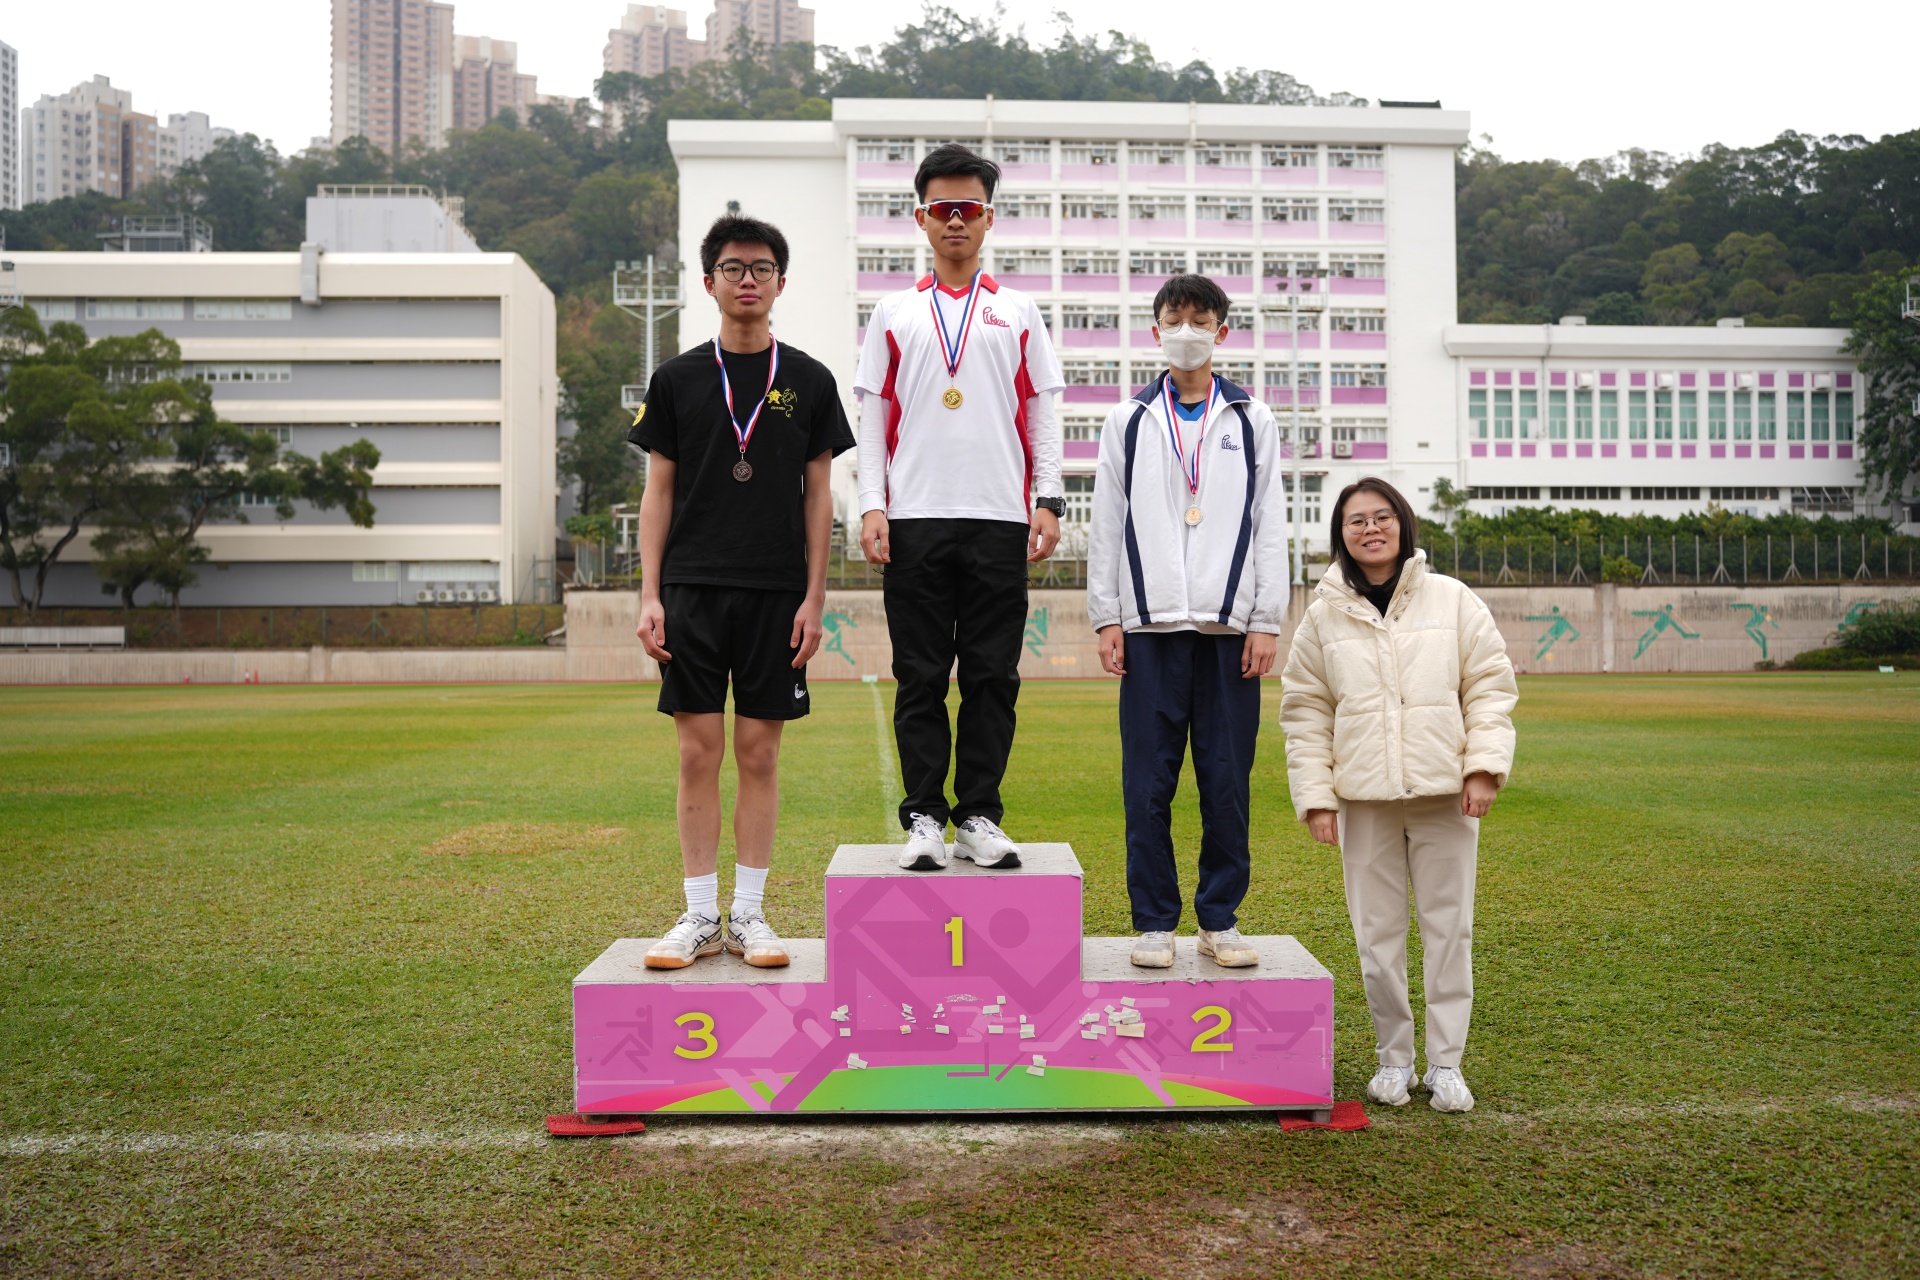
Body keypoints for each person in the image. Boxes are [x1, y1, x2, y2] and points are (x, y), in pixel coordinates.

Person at [629, 213, 855, 969]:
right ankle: (699, 915)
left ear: (781, 283)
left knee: (759, 754)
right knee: (697, 752)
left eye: (761, 268)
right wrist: (649, 595)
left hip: (775, 592)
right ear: (710, 282)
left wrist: (815, 597)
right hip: (690, 589)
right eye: (733, 268)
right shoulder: (678, 379)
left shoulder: (810, 380)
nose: (748, 279)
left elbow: (819, 498)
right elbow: (658, 493)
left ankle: (750, 915)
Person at [854, 143, 1067, 873]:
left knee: (991, 677)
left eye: (967, 209)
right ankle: (923, 818)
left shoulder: (1019, 310)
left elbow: (1041, 411)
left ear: (988, 218)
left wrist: (1048, 498)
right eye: (941, 208)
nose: (955, 221)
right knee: (919, 675)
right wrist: (872, 505)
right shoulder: (894, 311)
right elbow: (872, 416)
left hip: (999, 517)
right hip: (914, 516)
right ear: (920, 217)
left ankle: (978, 815)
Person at [1278, 478, 1517, 1113]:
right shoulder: (1322, 616)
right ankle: (1394, 1060)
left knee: (1449, 931)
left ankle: (1445, 1064)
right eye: (1356, 521)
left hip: (1444, 794)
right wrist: (1318, 798)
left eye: (1382, 517)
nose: (1371, 529)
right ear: (1341, 534)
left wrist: (1483, 768)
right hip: (1364, 799)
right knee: (1376, 938)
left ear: (1403, 524)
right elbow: (1305, 711)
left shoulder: (1453, 599)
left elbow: (1489, 688)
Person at [1087, 274, 1288, 970]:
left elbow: (1269, 523)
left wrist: (1266, 619)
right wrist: (1106, 617)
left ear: (1222, 332)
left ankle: (1219, 919)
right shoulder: (1129, 419)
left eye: (1201, 320)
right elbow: (1106, 523)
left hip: (1230, 630)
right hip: (1150, 627)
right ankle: (1153, 923)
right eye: (1175, 319)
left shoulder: (1253, 419)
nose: (1187, 331)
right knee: (1148, 785)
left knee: (1226, 782)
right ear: (1156, 331)